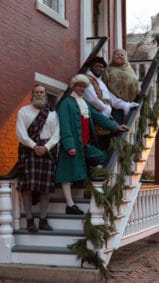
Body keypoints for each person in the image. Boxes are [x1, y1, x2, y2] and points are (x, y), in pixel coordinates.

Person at [55, 74, 129, 215]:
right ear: (74, 86)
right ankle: (70, 204)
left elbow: (98, 117)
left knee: (102, 158)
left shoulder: (85, 103)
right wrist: (69, 145)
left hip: (85, 144)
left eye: (84, 86)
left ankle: (93, 188)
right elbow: (64, 125)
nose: (82, 88)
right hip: (71, 145)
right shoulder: (66, 103)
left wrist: (116, 126)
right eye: (79, 86)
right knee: (66, 174)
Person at [16, 84, 60, 233]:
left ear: (45, 95)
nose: (39, 94)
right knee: (27, 187)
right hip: (29, 150)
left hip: (47, 150)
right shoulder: (23, 111)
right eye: (37, 92)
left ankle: (43, 219)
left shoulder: (52, 114)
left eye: (42, 92)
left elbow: (57, 134)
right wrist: (35, 146)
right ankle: (29, 221)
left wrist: (46, 147)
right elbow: (21, 133)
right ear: (32, 94)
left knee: (45, 188)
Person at [83, 56, 138, 149]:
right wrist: (105, 109)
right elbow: (92, 99)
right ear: (90, 67)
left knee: (110, 141)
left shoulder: (100, 82)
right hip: (97, 118)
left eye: (101, 67)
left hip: (106, 118)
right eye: (97, 66)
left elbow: (112, 99)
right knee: (99, 143)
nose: (100, 69)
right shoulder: (86, 80)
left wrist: (126, 105)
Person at [102, 48, 140, 123]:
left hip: (131, 102)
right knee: (120, 126)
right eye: (117, 54)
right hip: (116, 105)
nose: (120, 56)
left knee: (130, 123)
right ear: (113, 57)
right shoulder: (108, 70)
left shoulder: (129, 68)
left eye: (122, 55)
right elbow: (104, 86)